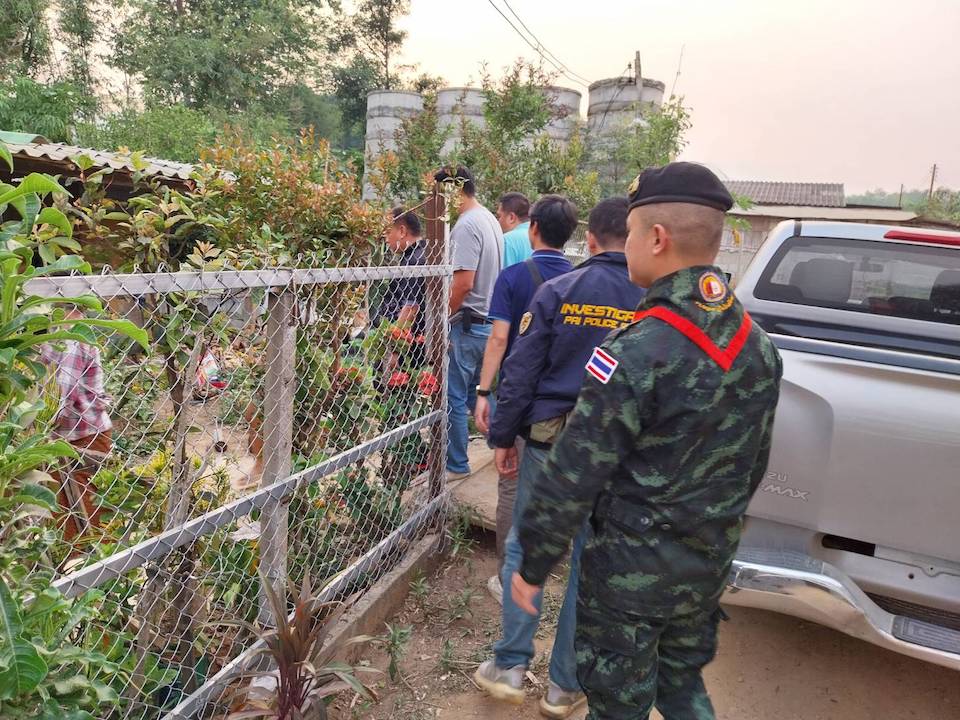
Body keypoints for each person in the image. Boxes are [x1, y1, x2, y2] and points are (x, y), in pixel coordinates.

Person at [511, 163, 784, 720]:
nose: (627, 244)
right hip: (706, 565)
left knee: (618, 703)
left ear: (657, 239)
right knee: (681, 685)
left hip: (631, 578)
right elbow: (752, 463)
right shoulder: (756, 345)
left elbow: (576, 470)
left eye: (632, 233)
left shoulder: (636, 349)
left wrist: (533, 560)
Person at [475, 196, 645, 719]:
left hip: (550, 444)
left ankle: (509, 665)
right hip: (614, 449)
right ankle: (563, 686)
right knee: (587, 565)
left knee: (527, 545)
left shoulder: (557, 291)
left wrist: (504, 437)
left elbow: (521, 370)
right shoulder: (652, 302)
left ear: (589, 240)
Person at [474, 194, 577, 602]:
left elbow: (499, 339)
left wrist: (484, 392)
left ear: (532, 227)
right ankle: (544, 566)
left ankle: (507, 577)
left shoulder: (513, 277)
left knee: (511, 487)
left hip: (520, 400)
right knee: (555, 487)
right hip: (565, 407)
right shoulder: (580, 280)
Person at [434, 166, 504, 479]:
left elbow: (463, 283)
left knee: (453, 397)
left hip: (467, 324)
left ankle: (456, 465)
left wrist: (441, 317)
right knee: (482, 391)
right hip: (487, 323)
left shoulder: (465, 225)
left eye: (440, 194)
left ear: (453, 190)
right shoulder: (488, 218)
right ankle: (503, 445)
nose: (439, 202)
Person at [40, 308, 113, 542]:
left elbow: (64, 392)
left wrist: (35, 427)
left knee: (84, 509)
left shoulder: (71, 336)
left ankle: (88, 558)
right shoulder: (57, 332)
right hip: (65, 434)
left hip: (84, 434)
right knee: (64, 506)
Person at [371, 206, 427, 370]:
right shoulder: (422, 253)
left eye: (388, 232)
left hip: (408, 345)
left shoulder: (414, 261)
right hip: (414, 340)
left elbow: (411, 306)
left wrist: (395, 349)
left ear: (402, 231)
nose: (386, 238)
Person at [497, 192, 533, 267]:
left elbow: (506, 273)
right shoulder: (541, 235)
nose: (498, 221)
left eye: (499, 216)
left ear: (511, 217)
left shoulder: (507, 240)